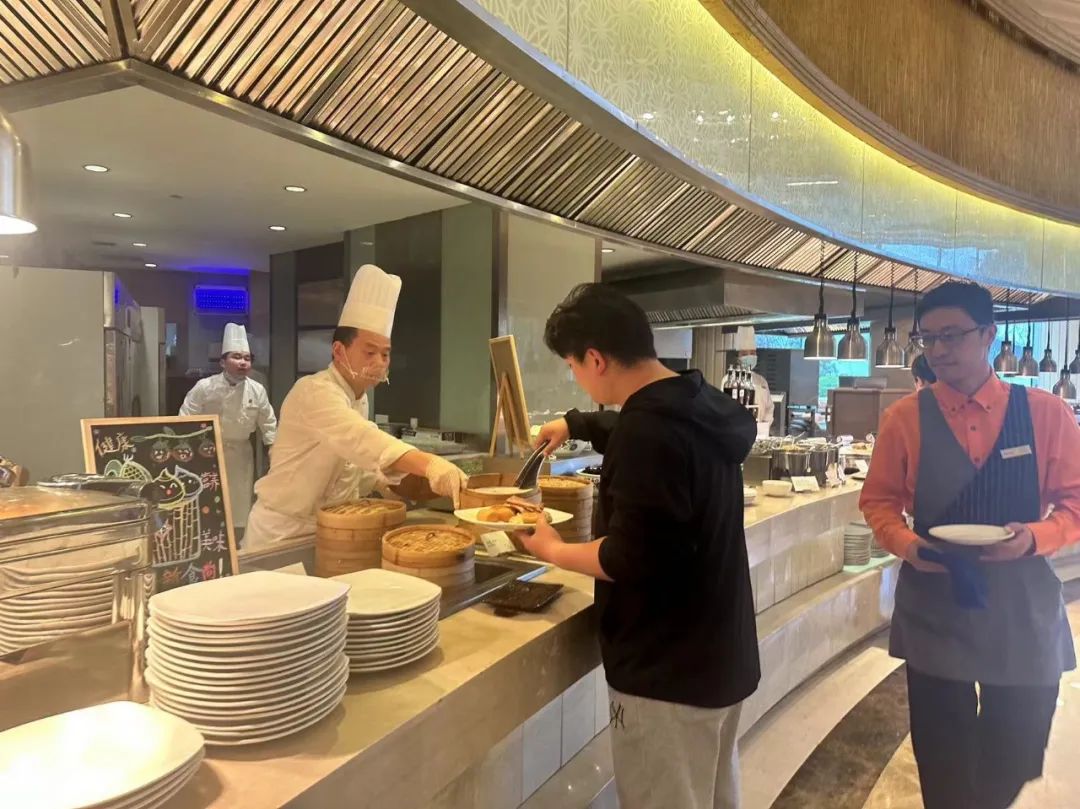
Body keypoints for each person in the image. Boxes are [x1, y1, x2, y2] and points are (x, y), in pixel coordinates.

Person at [522, 283, 759, 809]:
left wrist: (552, 549)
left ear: (595, 359)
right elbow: (640, 421)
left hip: (666, 672)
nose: (576, 376)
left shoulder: (648, 433)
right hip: (720, 655)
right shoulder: (697, 399)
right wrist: (575, 422)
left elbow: (631, 557)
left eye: (573, 365)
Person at [860, 281, 1080, 809]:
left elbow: (1075, 502)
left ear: (988, 335)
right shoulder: (903, 418)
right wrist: (909, 546)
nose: (938, 350)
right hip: (936, 604)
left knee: (1017, 751)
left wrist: (1034, 537)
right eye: (928, 339)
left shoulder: (1046, 412)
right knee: (943, 761)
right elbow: (879, 502)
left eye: (952, 336)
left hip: (1021, 606)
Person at [244, 265, 467, 549]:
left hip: (332, 531)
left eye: (385, 354)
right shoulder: (314, 391)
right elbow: (360, 437)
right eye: (370, 352)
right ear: (339, 351)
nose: (379, 363)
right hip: (281, 533)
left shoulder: (359, 398)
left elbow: (354, 462)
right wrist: (430, 464)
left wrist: (388, 481)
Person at [180, 323, 276, 533]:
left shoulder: (257, 390)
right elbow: (185, 419)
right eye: (237, 357)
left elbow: (268, 422)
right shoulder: (204, 387)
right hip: (207, 454)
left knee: (239, 504)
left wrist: (273, 451)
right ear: (223, 362)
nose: (243, 362)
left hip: (241, 455)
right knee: (209, 502)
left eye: (247, 358)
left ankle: (237, 541)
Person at [736, 325, 773, 436]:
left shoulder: (761, 381)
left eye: (752, 353)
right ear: (738, 357)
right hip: (738, 434)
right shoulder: (729, 381)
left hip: (760, 433)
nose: (749, 357)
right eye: (745, 354)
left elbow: (769, 408)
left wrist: (763, 427)